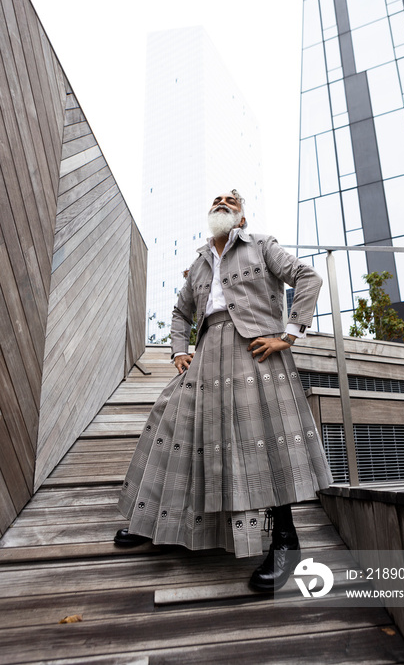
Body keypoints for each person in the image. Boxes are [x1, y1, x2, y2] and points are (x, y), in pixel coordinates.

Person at [115, 190, 333, 591]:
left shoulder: (261, 246)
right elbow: (181, 313)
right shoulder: (198, 265)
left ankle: (286, 541)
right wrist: (179, 350)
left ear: (242, 220)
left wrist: (289, 334)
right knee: (173, 424)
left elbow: (308, 277)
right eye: (216, 200)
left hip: (254, 352)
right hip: (206, 355)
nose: (222, 202)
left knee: (261, 441)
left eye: (231, 201)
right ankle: (156, 522)